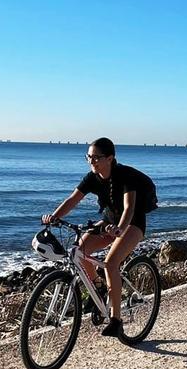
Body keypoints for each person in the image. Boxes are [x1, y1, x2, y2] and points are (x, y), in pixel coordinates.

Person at [42, 137, 157, 337]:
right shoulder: (91, 178)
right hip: (108, 221)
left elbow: (129, 208)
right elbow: (73, 199)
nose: (91, 161)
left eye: (96, 157)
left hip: (132, 223)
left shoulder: (125, 175)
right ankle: (99, 286)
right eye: (89, 157)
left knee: (111, 263)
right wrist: (54, 217)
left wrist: (120, 229)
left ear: (110, 158)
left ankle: (116, 320)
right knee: (79, 249)